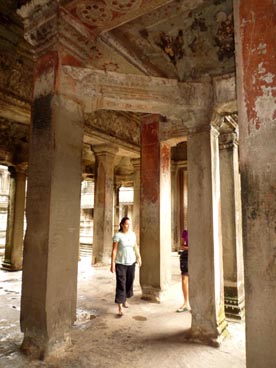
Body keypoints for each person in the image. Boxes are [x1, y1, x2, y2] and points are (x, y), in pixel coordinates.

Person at [110, 216, 141, 316]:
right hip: (120, 263)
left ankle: (124, 300)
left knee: (129, 282)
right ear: (122, 225)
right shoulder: (118, 235)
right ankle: (119, 307)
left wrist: (139, 257)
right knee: (121, 284)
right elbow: (114, 250)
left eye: (129, 224)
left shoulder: (132, 234)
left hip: (131, 262)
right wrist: (112, 264)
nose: (128, 226)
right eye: (126, 224)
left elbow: (135, 246)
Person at [177, 229, 191, 312]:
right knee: (184, 280)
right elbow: (181, 246)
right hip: (186, 257)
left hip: (197, 256)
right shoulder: (185, 232)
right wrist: (189, 248)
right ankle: (186, 303)